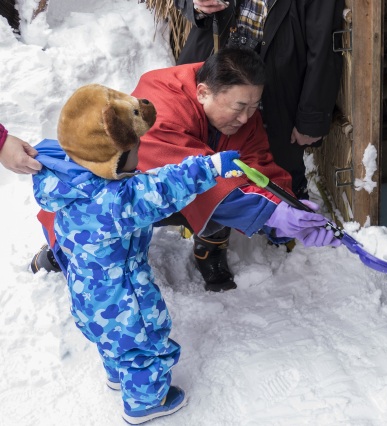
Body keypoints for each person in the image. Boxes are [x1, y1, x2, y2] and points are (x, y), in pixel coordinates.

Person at [33, 47, 341, 293]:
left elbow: (257, 163)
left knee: (229, 182)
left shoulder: (239, 114)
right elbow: (196, 179)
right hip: (127, 193)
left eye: (253, 107)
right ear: (204, 92)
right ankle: (60, 253)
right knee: (91, 233)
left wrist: (286, 204)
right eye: (239, 108)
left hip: (176, 190)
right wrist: (271, 215)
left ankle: (210, 247)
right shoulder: (162, 103)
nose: (247, 118)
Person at [31, 83, 246, 424]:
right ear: (110, 158)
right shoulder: (114, 202)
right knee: (144, 342)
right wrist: (210, 167)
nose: (139, 154)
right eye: (134, 150)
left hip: (86, 290)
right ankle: (146, 402)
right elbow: (159, 189)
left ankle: (117, 374)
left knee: (110, 337)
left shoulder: (67, 179)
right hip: (123, 294)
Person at [174, 0, 344, 200]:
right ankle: (213, 225)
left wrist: (311, 118)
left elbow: (323, 47)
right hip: (214, 76)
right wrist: (195, 5)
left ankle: (288, 222)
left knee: (281, 176)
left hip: (278, 93)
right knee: (203, 163)